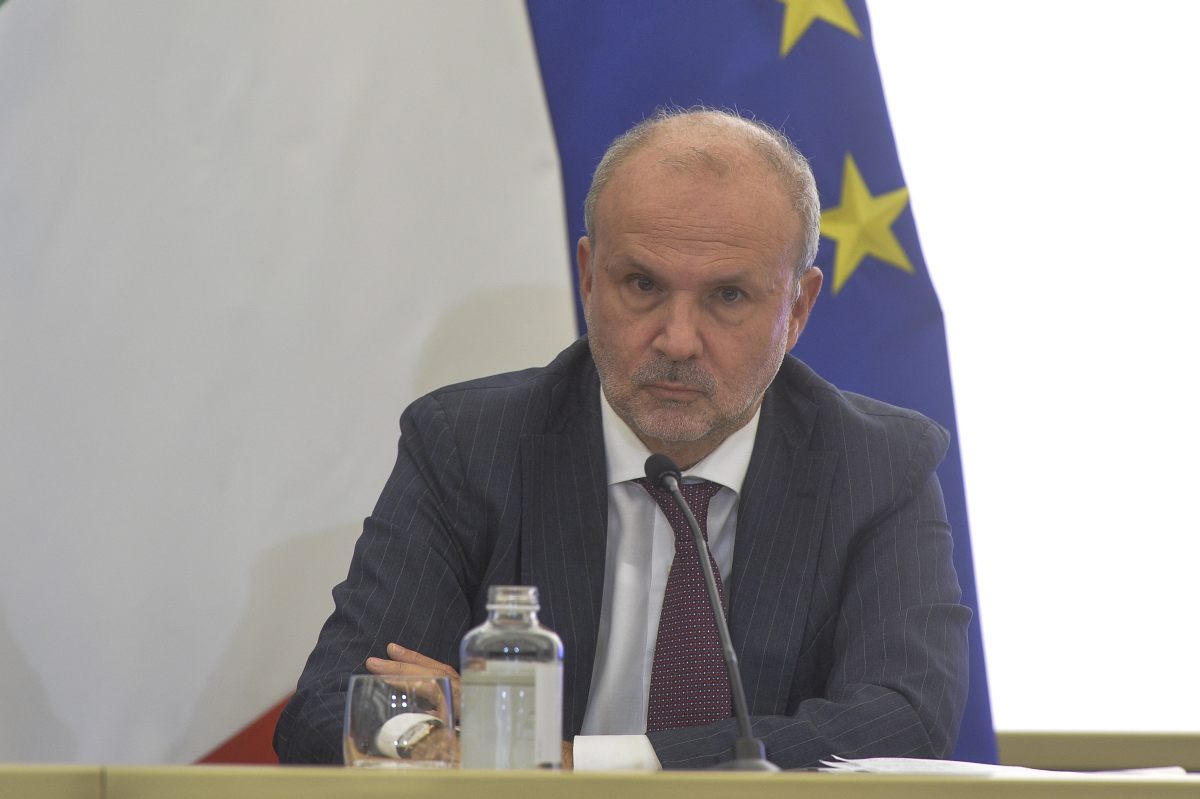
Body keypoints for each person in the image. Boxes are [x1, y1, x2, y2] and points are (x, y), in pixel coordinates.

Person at [274, 108, 970, 770]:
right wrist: (432, 742)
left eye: (728, 296)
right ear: (588, 278)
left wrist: (572, 763)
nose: (677, 340)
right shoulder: (468, 445)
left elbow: (905, 719)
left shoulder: (878, 467)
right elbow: (332, 707)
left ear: (797, 309)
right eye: (642, 284)